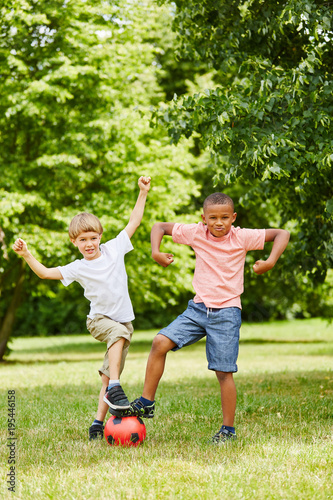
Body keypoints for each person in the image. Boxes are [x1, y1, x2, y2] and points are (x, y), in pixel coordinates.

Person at [123, 192, 290, 444]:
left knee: (223, 372)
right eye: (213, 218)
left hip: (227, 313)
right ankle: (146, 403)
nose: (219, 222)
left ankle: (228, 430)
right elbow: (159, 227)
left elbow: (282, 234)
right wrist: (156, 252)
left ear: (233, 218)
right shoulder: (196, 233)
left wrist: (270, 261)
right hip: (198, 309)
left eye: (225, 217)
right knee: (159, 342)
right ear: (204, 219)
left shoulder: (242, 236)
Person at [12, 176, 151, 440]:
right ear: (74, 242)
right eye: (82, 240)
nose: (88, 243)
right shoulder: (78, 267)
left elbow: (134, 221)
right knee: (117, 351)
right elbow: (44, 273)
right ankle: (116, 386)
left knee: (107, 378)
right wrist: (27, 255)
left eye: (92, 237)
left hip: (124, 323)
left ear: (100, 237)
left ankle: (97, 425)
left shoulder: (114, 250)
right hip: (99, 321)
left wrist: (142, 192)